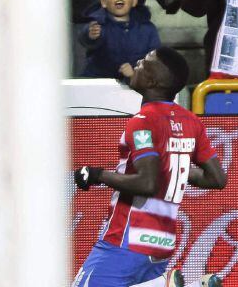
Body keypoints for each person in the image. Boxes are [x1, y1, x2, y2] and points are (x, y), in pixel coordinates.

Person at [72, 47, 225, 287]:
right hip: (161, 244)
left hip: (127, 239)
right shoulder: (190, 121)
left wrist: (96, 174)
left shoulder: (143, 121)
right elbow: (216, 178)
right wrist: (177, 168)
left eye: (144, 62)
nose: (138, 62)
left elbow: (147, 183)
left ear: (152, 80)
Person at [78, 0, 161, 80]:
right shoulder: (98, 24)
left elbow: (154, 61)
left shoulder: (147, 28)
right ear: (104, 2)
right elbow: (86, 38)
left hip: (135, 85)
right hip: (100, 85)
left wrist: (136, 74)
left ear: (134, 1)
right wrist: (91, 36)